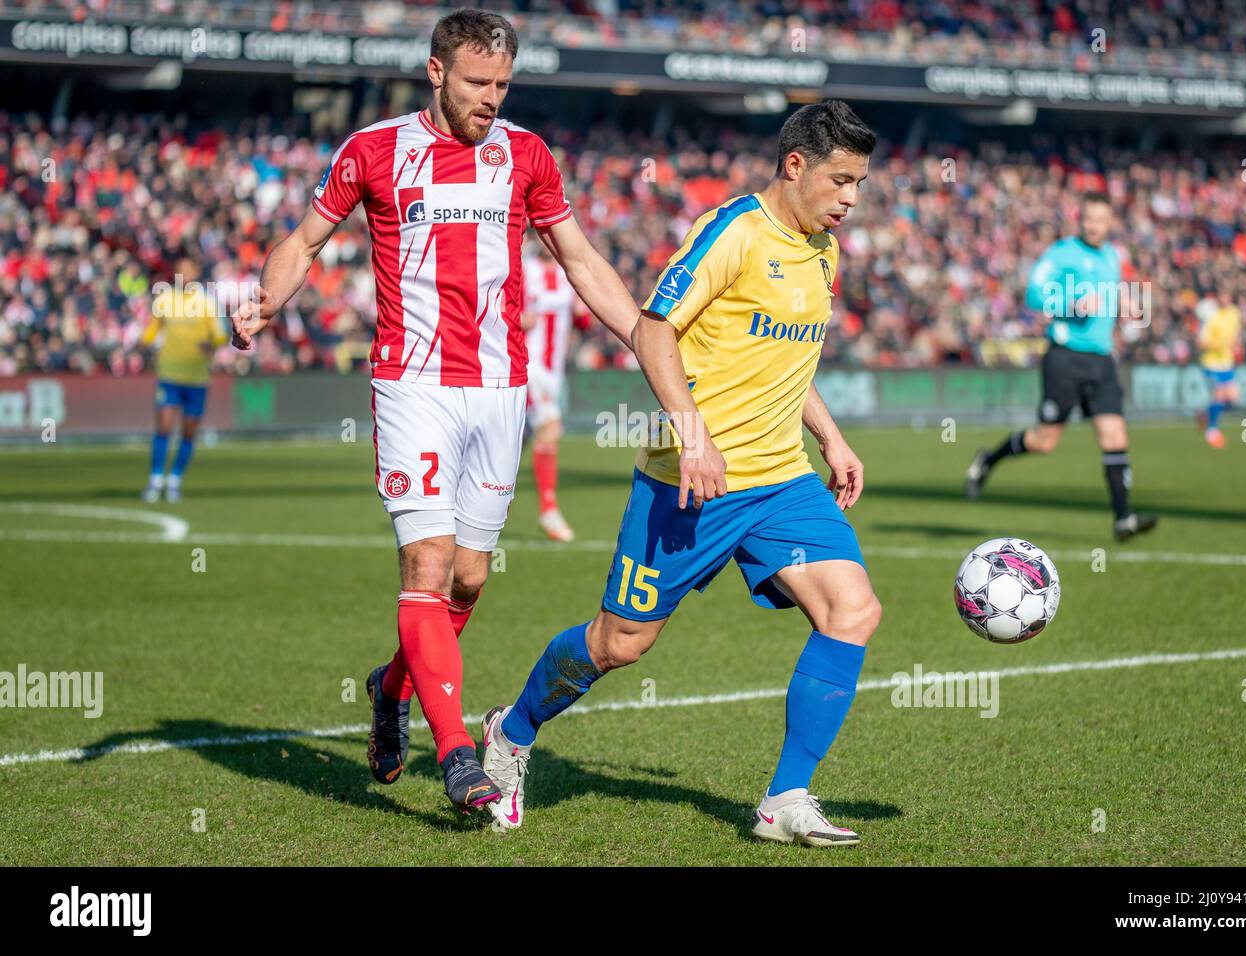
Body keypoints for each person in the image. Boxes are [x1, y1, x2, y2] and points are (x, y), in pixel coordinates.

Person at [230, 8, 638, 813]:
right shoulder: (374, 150)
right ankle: (457, 753)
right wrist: (266, 300)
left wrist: (643, 337)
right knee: (426, 566)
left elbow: (582, 258)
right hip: (411, 384)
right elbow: (305, 240)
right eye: (479, 82)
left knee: (469, 577)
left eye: (503, 84)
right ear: (437, 72)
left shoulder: (527, 156)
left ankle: (391, 688)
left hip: (500, 390)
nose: (492, 97)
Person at [479, 101, 883, 847]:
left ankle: (784, 799)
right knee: (621, 644)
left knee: (852, 610)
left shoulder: (824, 249)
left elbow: (788, 358)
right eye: (841, 180)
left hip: (781, 482)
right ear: (795, 166)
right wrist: (694, 438)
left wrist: (831, 438)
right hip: (690, 482)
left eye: (859, 183)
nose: (851, 198)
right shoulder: (732, 231)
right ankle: (513, 730)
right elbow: (654, 327)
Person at [965, 192, 1157, 542]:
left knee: (1115, 435)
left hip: (1101, 359)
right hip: (1065, 358)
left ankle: (1123, 518)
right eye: (1088, 219)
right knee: (1044, 441)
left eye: (1100, 220)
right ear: (1079, 219)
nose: (1093, 226)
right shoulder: (1063, 252)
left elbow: (1110, 297)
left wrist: (1124, 303)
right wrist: (1071, 302)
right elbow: (1034, 295)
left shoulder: (1113, 256)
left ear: (1111, 222)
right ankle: (988, 459)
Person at [140, 256, 225, 503]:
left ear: (196, 272)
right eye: (181, 270)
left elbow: (220, 335)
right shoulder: (165, 300)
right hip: (169, 374)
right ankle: (156, 479)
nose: (185, 275)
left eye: (189, 270)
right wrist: (143, 344)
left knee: (189, 432)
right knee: (164, 427)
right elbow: (151, 332)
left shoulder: (207, 302)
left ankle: (175, 478)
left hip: (197, 376)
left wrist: (210, 344)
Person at [521, 242, 583, 541]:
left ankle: (475, 499)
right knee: (550, 428)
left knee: (515, 439)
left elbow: (581, 320)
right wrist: (517, 319)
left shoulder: (567, 273)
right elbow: (502, 309)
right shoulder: (524, 270)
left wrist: (583, 312)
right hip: (528, 363)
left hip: (554, 369)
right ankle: (549, 508)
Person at [1197, 286, 1242, 448]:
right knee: (1220, 395)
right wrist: (1218, 344)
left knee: (1233, 398)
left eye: (1227, 295)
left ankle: (1204, 414)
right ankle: (1212, 431)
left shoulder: (1234, 313)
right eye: (1222, 295)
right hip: (1212, 363)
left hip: (1227, 362)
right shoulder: (1211, 315)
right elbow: (1201, 342)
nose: (1224, 299)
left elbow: (1237, 333)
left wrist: (1237, 345)